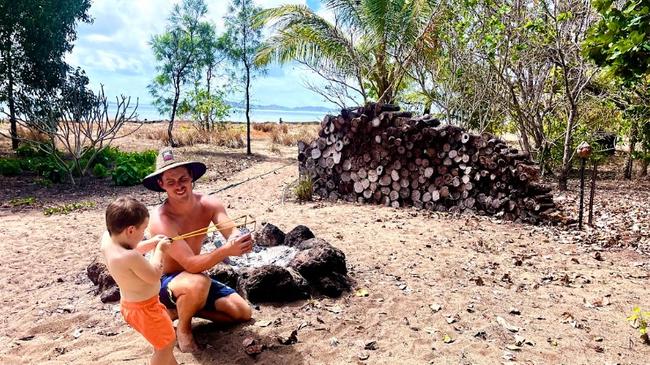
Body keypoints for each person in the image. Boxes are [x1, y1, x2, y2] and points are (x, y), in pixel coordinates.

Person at [142, 147, 254, 353]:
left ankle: (182, 309)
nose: (179, 186)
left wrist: (242, 239)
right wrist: (226, 251)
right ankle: (183, 329)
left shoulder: (209, 203)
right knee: (199, 281)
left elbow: (231, 232)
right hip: (165, 282)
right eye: (171, 182)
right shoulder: (160, 219)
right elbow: (191, 264)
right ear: (161, 185)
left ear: (191, 176)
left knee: (242, 312)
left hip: (193, 279)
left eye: (183, 179)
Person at [101, 196, 177, 365]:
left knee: (161, 341)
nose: (144, 234)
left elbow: (129, 246)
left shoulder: (108, 240)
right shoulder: (130, 257)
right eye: (143, 231)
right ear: (130, 230)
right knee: (167, 344)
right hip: (146, 309)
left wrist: (151, 243)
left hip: (132, 305)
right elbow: (154, 274)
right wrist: (160, 250)